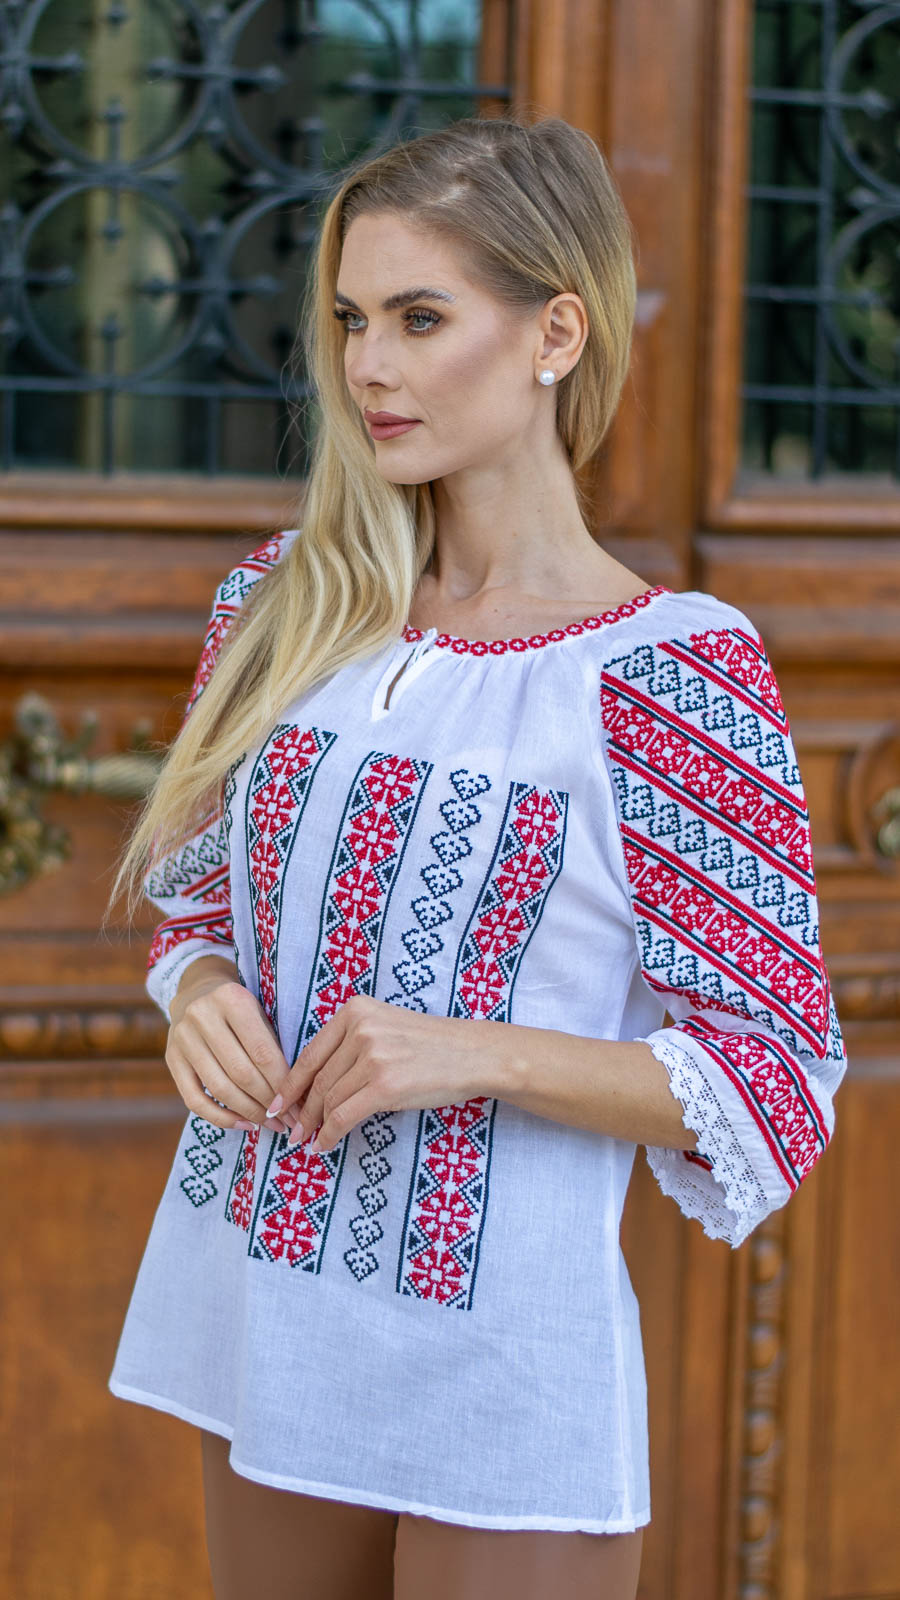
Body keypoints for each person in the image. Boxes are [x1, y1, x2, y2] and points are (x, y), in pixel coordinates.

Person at [106, 114, 846, 1600]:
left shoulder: (669, 675)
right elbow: (196, 913)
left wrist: (471, 1052)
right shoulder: (282, 605)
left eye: (421, 318)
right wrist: (198, 997)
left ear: (555, 333)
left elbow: (779, 1078)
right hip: (259, 1304)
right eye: (350, 321)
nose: (368, 368)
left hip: (500, 1359)